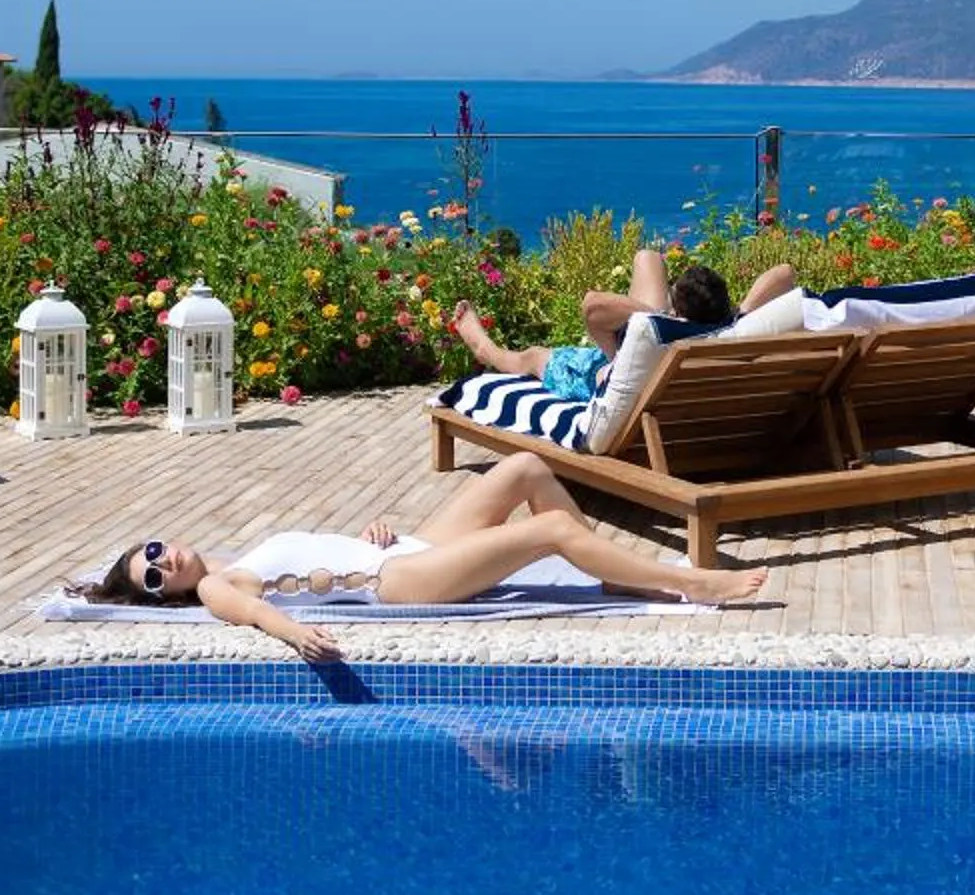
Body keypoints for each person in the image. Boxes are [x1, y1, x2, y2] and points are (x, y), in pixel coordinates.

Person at [74, 451, 771, 660]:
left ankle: (621, 577)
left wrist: (365, 532)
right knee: (550, 534)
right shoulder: (216, 586)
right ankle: (689, 582)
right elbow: (251, 611)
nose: (168, 565)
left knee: (525, 468)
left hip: (398, 549)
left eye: (155, 553)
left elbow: (308, 560)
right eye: (155, 578)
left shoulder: (233, 552)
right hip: (400, 582)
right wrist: (296, 634)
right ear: (166, 594)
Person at [447, 247, 797, 401]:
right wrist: (742, 311)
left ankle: (484, 348)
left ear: (677, 313)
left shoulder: (663, 333)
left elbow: (592, 305)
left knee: (533, 356)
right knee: (647, 258)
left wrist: (654, 319)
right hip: (679, 356)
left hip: (627, 375)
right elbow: (784, 273)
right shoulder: (732, 328)